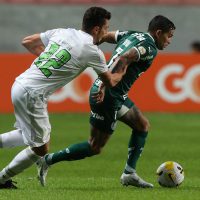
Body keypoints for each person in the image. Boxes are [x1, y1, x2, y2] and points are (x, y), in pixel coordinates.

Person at [37, 15, 176, 188]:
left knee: (142, 126)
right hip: (107, 96)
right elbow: (125, 58)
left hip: (116, 95)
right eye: (169, 36)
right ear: (158, 32)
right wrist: (105, 83)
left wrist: (92, 44)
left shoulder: (133, 35)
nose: (170, 40)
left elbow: (108, 35)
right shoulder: (148, 47)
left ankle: (129, 173)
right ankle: (47, 160)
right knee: (94, 147)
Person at [0, 7, 128, 189]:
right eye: (106, 28)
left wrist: (50, 60)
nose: (107, 33)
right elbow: (110, 81)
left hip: (19, 84)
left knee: (26, 135)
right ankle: (2, 179)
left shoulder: (63, 32)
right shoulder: (92, 51)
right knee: (40, 149)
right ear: (96, 29)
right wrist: (124, 66)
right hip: (33, 94)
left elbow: (27, 41)